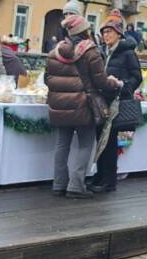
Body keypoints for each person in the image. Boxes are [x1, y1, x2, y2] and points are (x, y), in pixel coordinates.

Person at [45, 15, 120, 199]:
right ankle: (76, 185)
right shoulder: (90, 52)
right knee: (85, 144)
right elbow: (101, 82)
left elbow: (47, 79)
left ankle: (59, 184)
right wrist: (115, 84)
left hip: (60, 105)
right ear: (85, 31)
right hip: (83, 105)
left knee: (62, 144)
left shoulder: (56, 52)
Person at [90, 18, 142, 193]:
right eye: (104, 32)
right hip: (101, 101)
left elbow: (137, 77)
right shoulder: (102, 51)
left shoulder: (127, 53)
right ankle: (100, 175)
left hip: (116, 102)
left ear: (119, 34)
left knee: (110, 142)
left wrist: (122, 84)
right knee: (100, 140)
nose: (106, 35)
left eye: (109, 32)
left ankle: (109, 180)